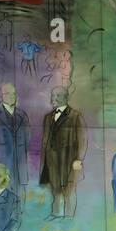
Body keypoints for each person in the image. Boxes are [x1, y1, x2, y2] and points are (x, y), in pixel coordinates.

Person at [40, 86, 87, 219]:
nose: (52, 99)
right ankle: (55, 214)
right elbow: (45, 142)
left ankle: (69, 217)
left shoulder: (75, 116)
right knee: (55, 189)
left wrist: (79, 159)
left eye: (56, 96)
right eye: (52, 96)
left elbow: (83, 140)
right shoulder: (48, 118)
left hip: (69, 161)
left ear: (64, 98)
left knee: (69, 191)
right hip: (52, 162)